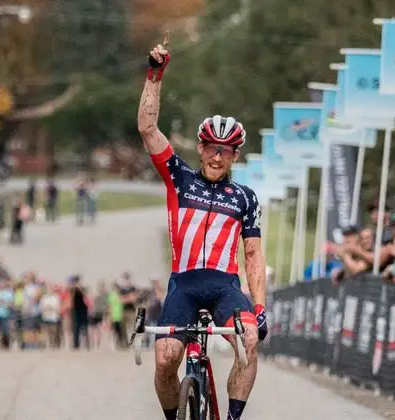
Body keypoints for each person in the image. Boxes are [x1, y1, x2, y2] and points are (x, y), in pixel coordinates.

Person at [137, 39, 267, 420]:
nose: (216, 155)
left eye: (225, 150)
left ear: (235, 155)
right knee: (165, 359)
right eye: (211, 147)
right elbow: (147, 128)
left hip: (225, 286)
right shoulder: (179, 178)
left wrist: (259, 308)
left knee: (250, 340)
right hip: (184, 284)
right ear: (200, 147)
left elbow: (254, 255)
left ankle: (231, 417)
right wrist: (154, 74)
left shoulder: (245, 197)